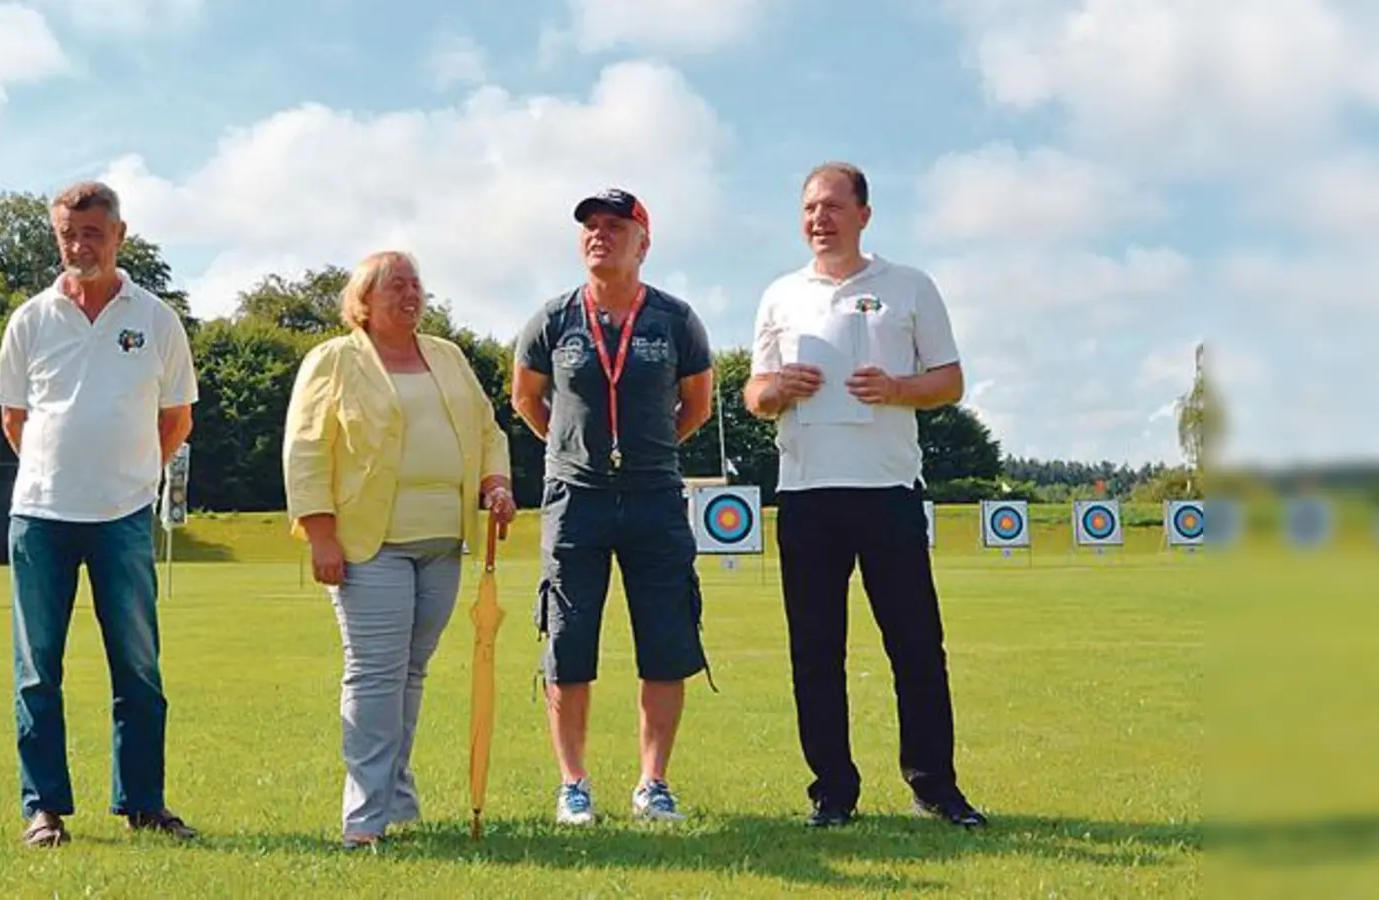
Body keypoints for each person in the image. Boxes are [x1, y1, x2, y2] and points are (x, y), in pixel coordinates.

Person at [742, 161, 986, 828]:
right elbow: (755, 394)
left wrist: (900, 390)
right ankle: (832, 792)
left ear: (864, 215)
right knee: (816, 653)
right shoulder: (780, 295)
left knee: (915, 648)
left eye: (832, 207)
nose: (818, 220)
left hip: (888, 492)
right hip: (806, 495)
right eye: (809, 209)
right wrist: (776, 391)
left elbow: (951, 379)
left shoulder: (909, 286)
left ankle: (935, 785)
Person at [282, 250, 515, 850]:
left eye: (416, 285)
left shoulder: (448, 356)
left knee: (410, 674)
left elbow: (487, 430)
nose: (410, 295)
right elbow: (306, 449)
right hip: (369, 543)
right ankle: (364, 816)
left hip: (443, 542)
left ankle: (396, 799)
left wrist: (497, 483)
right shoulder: (332, 361)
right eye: (395, 287)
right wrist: (320, 531)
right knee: (375, 675)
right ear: (363, 300)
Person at [0, 181, 200, 848]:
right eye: (67, 235)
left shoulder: (157, 319)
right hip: (40, 516)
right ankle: (44, 809)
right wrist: (59, 474)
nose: (80, 246)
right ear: (57, 237)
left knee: (138, 668)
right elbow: (14, 420)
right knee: (36, 671)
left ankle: (142, 803)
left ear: (119, 234)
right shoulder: (30, 319)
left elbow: (177, 417)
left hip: (124, 516)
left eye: (93, 233)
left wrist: (133, 476)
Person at [511, 188, 715, 826]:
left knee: (666, 640)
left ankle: (653, 783)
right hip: (576, 501)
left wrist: (647, 454)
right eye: (591, 227)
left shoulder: (676, 319)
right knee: (569, 643)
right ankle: (574, 784)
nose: (600, 235)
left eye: (615, 226)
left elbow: (698, 406)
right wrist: (572, 452)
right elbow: (526, 399)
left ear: (643, 242)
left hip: (655, 496)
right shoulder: (552, 318)